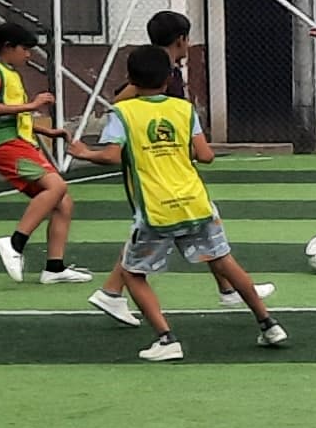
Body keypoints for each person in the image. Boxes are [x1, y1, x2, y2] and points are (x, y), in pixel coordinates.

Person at [71, 45, 287, 362]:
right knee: (224, 261)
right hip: (195, 201)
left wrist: (84, 153)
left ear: (130, 79)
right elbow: (206, 155)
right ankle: (269, 324)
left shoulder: (123, 113)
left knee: (131, 273)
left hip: (155, 209)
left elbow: (111, 156)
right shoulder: (184, 109)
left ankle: (166, 339)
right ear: (168, 78)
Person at [90, 9, 267, 307]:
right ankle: (111, 292)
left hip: (167, 169)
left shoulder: (161, 67)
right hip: (160, 169)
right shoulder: (160, 73)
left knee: (179, 225)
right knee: (162, 227)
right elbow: (120, 103)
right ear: (181, 39)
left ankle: (228, 288)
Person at [0, 22, 84, 285]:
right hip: (6, 144)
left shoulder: (8, 72)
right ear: (8, 47)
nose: (28, 55)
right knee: (57, 187)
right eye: (25, 49)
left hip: (18, 141)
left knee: (63, 202)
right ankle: (15, 243)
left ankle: (54, 268)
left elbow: (12, 117)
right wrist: (32, 105)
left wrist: (45, 131)